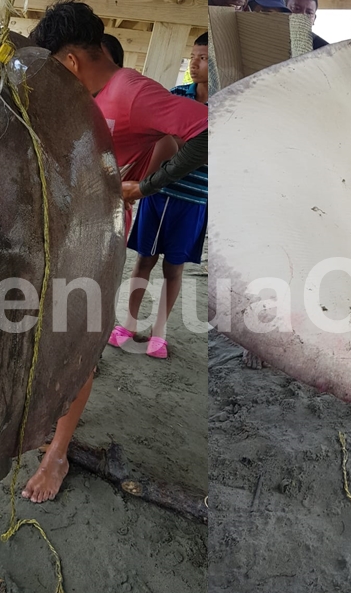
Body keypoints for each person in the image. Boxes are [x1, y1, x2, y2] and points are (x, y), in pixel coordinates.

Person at [23, 0, 207, 502]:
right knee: (57, 332)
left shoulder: (131, 92)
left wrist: (147, 187)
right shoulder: (94, 93)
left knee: (77, 344)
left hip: (95, 240)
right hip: (66, 230)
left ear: (69, 61)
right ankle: (55, 412)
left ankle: (58, 455)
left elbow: (207, 128)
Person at [121, 33, 208, 361]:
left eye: (203, 59)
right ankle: (128, 325)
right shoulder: (177, 96)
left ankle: (159, 333)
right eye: (193, 56)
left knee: (174, 269)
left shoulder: (227, 105)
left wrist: (182, 142)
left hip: (194, 200)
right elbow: (160, 139)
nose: (195, 64)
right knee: (143, 260)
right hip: (159, 192)